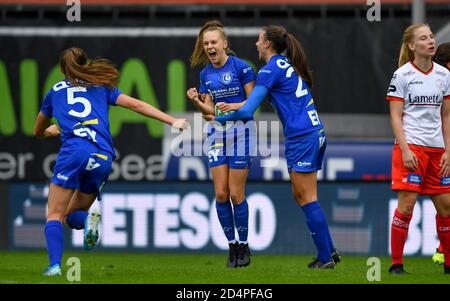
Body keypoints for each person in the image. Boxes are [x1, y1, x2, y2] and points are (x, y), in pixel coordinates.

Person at [34, 47, 188, 276]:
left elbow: (38, 130)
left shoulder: (54, 92)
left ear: (61, 69)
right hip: (104, 156)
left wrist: (51, 131)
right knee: (70, 217)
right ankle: (87, 220)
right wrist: (172, 120)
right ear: (85, 64)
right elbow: (137, 105)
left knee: (55, 215)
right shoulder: (102, 87)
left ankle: (55, 266)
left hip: (74, 152)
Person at [215, 25, 340, 269]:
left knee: (307, 196)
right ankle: (328, 249)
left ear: (267, 44)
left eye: (259, 40)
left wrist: (217, 119)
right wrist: (238, 105)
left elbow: (249, 111)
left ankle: (325, 257)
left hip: (303, 136)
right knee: (301, 194)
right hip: (312, 132)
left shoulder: (268, 70)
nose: (256, 44)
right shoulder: (283, 65)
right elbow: (259, 100)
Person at [186, 20, 256, 268]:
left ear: (224, 44)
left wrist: (231, 107)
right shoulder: (205, 74)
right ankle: (232, 247)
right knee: (221, 193)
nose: (209, 47)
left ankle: (245, 246)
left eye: (213, 42)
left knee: (236, 194)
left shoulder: (242, 68)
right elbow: (208, 114)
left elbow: (251, 104)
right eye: (205, 43)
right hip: (217, 134)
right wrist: (196, 101)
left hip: (241, 133)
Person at [386, 24, 450, 274]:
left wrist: (448, 151)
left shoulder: (444, 75)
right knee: (407, 205)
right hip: (411, 147)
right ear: (412, 46)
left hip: (437, 151)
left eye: (432, 36)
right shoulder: (402, 75)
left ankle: (447, 265)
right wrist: (405, 149)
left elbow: (446, 116)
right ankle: (396, 265)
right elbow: (395, 116)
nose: (431, 41)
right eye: (423, 38)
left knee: (446, 206)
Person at [431, 42, 450, 266]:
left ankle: (442, 249)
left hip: (440, 150)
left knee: (444, 203)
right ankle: (442, 249)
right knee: (443, 202)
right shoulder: (438, 87)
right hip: (439, 151)